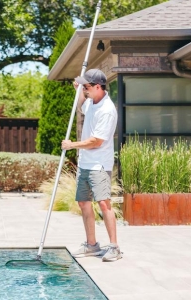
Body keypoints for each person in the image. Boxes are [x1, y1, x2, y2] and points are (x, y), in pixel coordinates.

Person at [61, 69, 122, 262]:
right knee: (83, 203)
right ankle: (92, 245)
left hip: (99, 164)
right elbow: (81, 106)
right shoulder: (92, 103)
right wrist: (78, 90)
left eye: (87, 86)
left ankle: (114, 247)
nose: (85, 90)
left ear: (98, 87)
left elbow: (97, 141)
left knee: (104, 203)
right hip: (85, 162)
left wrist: (72, 145)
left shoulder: (107, 110)